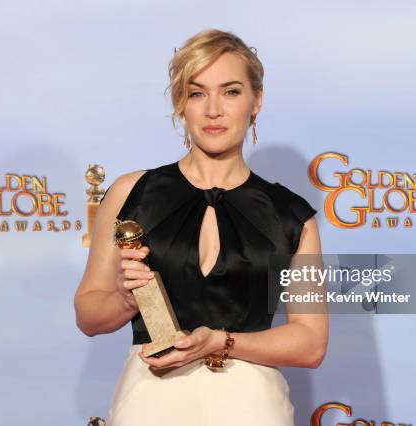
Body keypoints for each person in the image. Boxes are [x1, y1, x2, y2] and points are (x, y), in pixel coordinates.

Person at [74, 28, 328, 426]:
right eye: (197, 93)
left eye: (230, 91)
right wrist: (126, 300)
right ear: (181, 103)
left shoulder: (294, 216)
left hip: (252, 406)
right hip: (150, 402)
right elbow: (88, 314)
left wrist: (222, 342)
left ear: (256, 101)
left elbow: (311, 343)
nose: (213, 110)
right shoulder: (130, 192)